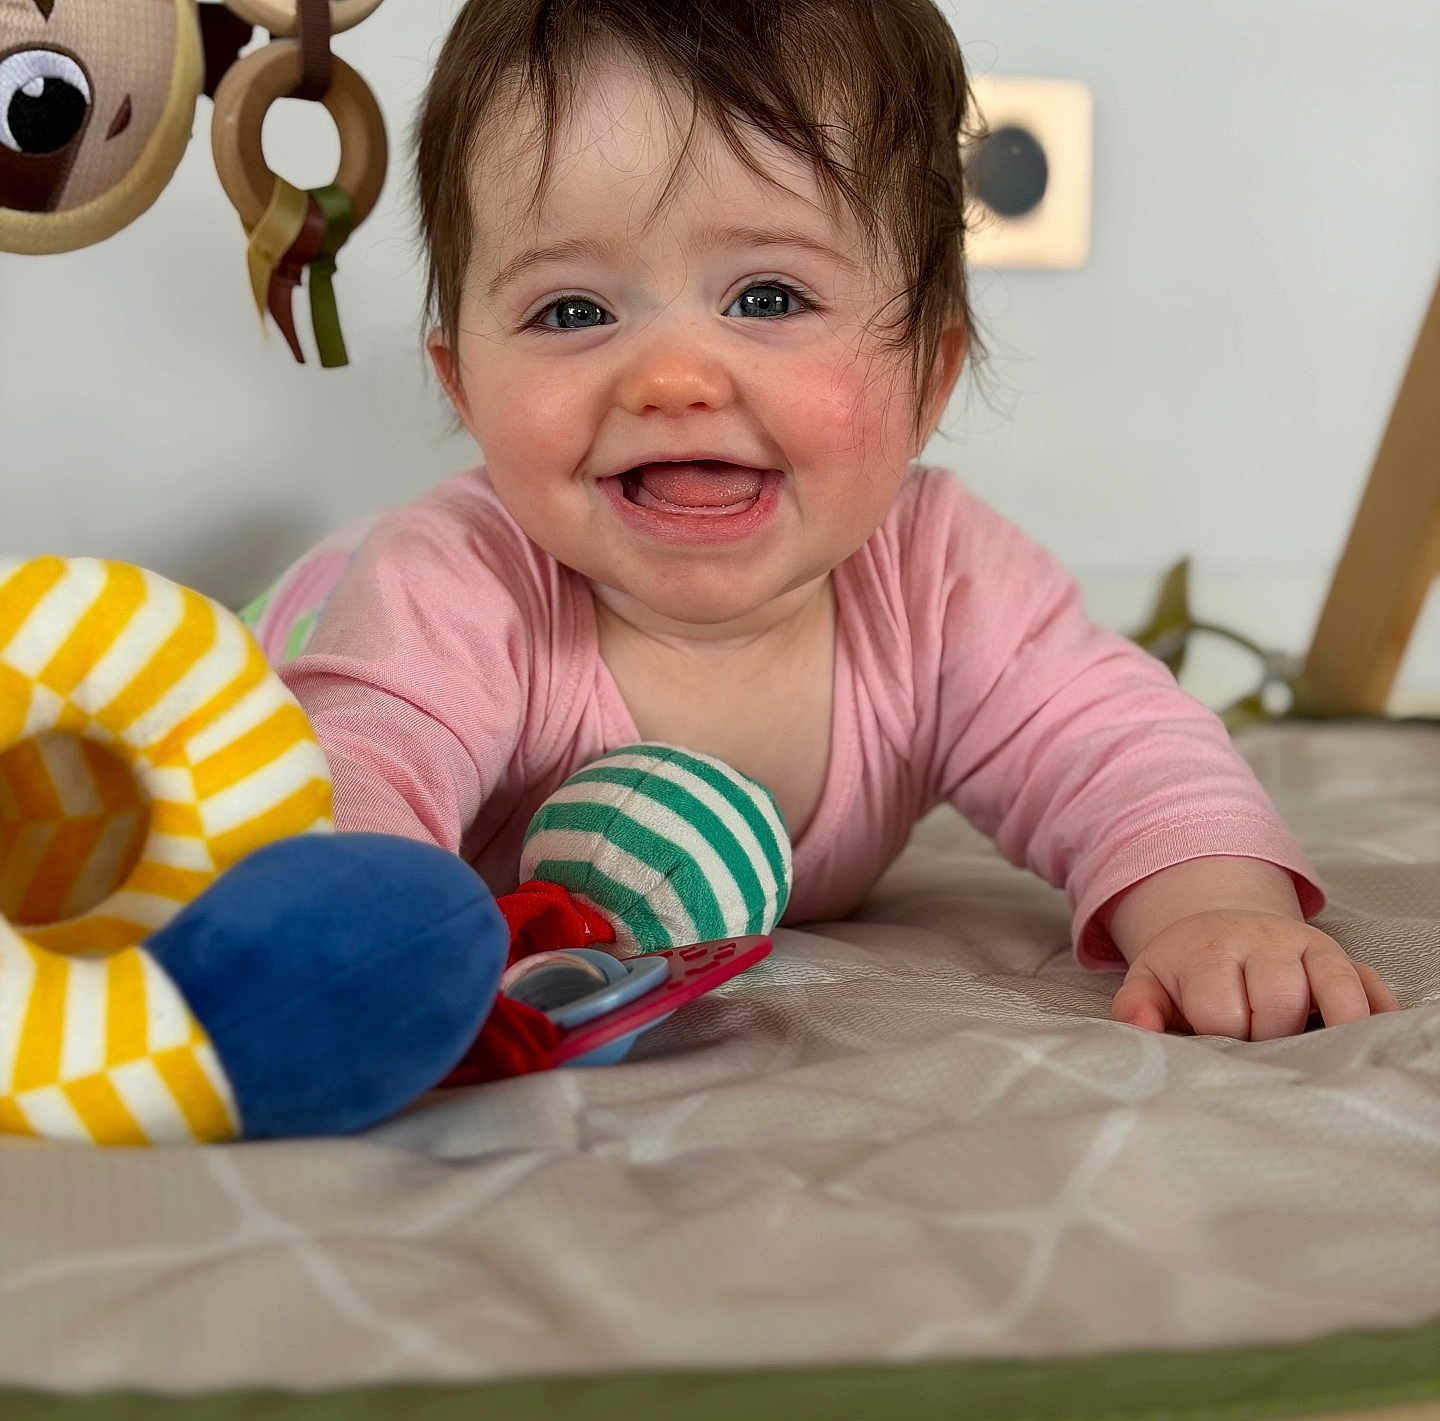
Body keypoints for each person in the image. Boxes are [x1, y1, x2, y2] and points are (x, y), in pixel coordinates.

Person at [278, 0, 1398, 1040]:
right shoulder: (461, 581)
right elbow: (353, 768)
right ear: (464, 387)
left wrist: (1214, 910)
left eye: (767, 297)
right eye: (572, 309)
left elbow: (1115, 742)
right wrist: (351, 937)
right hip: (322, 622)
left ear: (929, 376)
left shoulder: (937, 580)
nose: (672, 378)